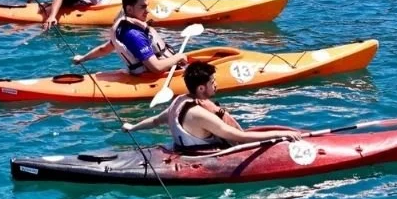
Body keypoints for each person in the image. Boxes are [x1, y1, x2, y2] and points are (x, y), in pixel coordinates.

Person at [121, 61, 301, 149]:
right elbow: (239, 136)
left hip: (182, 149)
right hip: (201, 157)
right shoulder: (199, 114)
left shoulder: (179, 101)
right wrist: (280, 134)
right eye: (212, 82)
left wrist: (132, 127)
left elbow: (155, 121)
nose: (216, 85)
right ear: (201, 88)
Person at [71, 0, 185, 73]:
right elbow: (156, 67)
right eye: (143, 7)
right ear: (129, 9)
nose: (147, 11)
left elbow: (104, 49)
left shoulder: (123, 28)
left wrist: (83, 58)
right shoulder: (135, 35)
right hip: (157, 75)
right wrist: (178, 57)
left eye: (147, 6)